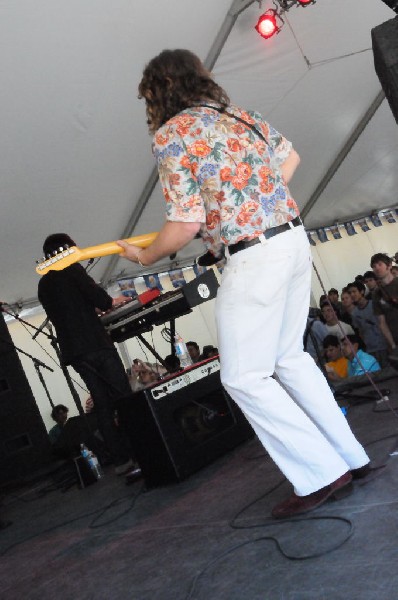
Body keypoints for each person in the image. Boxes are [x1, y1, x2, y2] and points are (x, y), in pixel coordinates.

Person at [116, 49, 370, 518]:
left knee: (242, 376)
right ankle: (351, 457)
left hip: (254, 256)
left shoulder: (175, 134)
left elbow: (185, 223)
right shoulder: (241, 116)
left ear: (159, 91)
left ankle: (320, 471)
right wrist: (249, 202)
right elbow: (289, 159)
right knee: (288, 357)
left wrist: (145, 255)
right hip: (292, 238)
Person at [38, 233, 135, 476]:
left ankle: (120, 459)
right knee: (123, 396)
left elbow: (68, 310)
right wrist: (106, 298)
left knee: (102, 404)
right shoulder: (73, 270)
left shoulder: (43, 285)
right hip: (96, 345)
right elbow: (103, 301)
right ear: (67, 250)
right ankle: (140, 446)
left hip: (75, 353)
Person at [347, 281, 389, 367]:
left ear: (362, 291)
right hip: (371, 349)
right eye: (350, 293)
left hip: (384, 345)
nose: (352, 295)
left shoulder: (374, 304)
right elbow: (360, 331)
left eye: (354, 291)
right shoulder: (354, 313)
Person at [371, 253, 398, 350]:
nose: (377, 268)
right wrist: (393, 345)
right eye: (374, 266)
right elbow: (382, 322)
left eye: (380, 264)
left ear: (389, 265)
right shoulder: (376, 294)